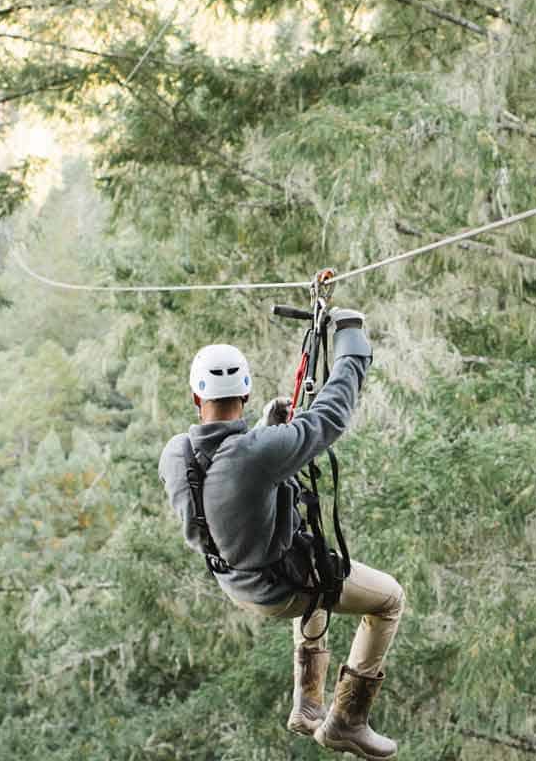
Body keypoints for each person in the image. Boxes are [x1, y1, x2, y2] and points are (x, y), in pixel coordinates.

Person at [157, 307, 404, 761]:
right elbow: (329, 417)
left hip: (234, 582)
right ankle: (348, 721)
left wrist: (265, 434)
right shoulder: (257, 453)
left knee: (310, 563)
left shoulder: (177, 454)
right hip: (280, 590)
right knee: (388, 599)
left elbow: (223, 489)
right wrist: (351, 341)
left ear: (196, 398)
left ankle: (308, 705)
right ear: (245, 392)